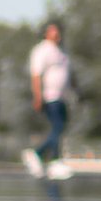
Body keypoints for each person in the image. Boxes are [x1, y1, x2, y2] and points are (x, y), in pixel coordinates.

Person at [24, 21, 73, 179]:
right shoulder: (42, 50)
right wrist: (38, 96)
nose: (56, 34)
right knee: (58, 127)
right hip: (49, 96)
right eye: (52, 31)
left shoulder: (60, 51)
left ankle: (54, 162)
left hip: (61, 97)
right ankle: (37, 154)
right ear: (46, 33)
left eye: (57, 30)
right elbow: (36, 74)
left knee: (60, 128)